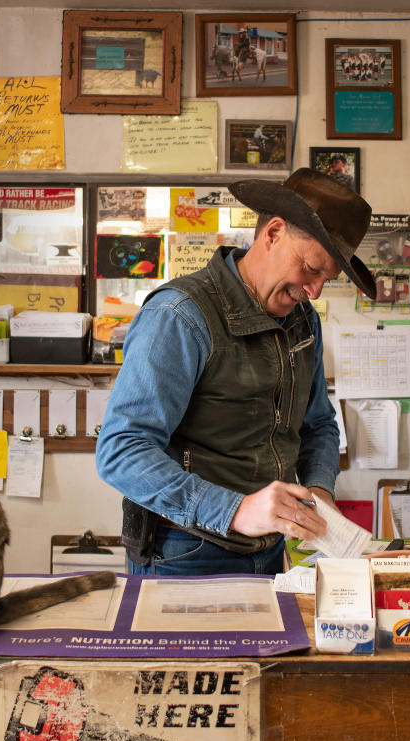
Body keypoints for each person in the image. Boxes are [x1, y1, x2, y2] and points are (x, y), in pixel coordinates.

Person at [96, 168, 376, 576]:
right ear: (274, 233)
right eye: (311, 269)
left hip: (269, 551)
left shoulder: (303, 321)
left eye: (326, 280)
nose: (314, 291)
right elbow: (121, 450)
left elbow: (318, 425)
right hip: (184, 552)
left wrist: (319, 487)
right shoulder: (179, 316)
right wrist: (236, 509)